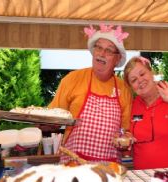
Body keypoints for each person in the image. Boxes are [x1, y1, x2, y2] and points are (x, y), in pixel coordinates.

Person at [49, 24, 132, 163]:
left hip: (109, 167)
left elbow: (125, 131)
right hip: (73, 164)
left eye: (109, 50)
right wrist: (42, 123)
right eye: (98, 47)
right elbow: (53, 117)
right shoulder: (72, 79)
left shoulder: (123, 89)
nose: (101, 53)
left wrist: (125, 141)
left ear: (117, 59)